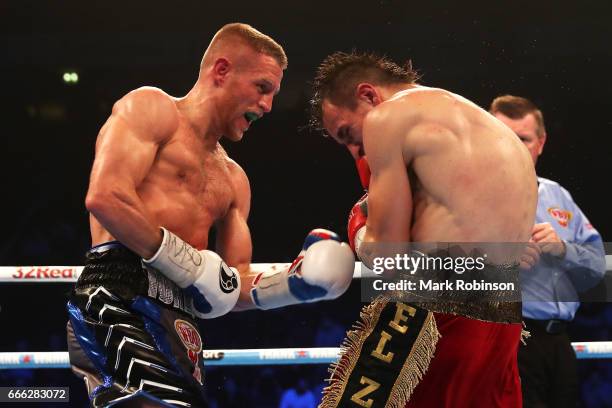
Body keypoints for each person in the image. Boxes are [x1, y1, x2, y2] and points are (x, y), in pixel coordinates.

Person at [66, 23, 354, 408]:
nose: (268, 106)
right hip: (119, 292)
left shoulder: (234, 180)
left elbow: (229, 285)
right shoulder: (152, 109)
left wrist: (296, 285)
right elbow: (106, 197)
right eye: (262, 87)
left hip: (181, 321)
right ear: (221, 71)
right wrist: (190, 267)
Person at [310, 51, 538, 407]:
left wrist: (358, 228)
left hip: (434, 313)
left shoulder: (388, 117)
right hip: (502, 321)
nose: (356, 151)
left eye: (348, 134)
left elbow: (387, 256)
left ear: (368, 95)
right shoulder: (489, 129)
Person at [490, 95, 606, 408]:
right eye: (505, 137)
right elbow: (435, 265)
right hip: (505, 339)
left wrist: (563, 249)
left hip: (558, 341)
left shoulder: (558, 196)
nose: (514, 147)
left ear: (540, 142)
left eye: (523, 139)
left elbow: (597, 264)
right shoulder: (469, 196)